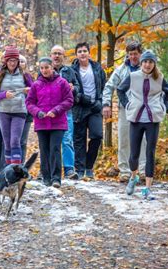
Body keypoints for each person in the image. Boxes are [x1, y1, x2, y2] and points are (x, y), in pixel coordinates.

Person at [117, 50, 168, 199]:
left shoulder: (159, 78)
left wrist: (165, 107)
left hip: (153, 119)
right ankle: (133, 177)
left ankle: (148, 188)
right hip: (136, 118)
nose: (147, 64)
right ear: (141, 63)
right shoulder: (133, 76)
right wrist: (127, 104)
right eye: (145, 62)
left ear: (154, 63)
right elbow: (120, 90)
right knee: (134, 153)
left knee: (150, 152)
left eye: (150, 62)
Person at [26, 57, 73, 188]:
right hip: (41, 123)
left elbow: (69, 100)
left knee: (55, 149)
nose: (44, 70)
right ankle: (46, 177)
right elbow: (29, 103)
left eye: (47, 67)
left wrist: (56, 110)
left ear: (52, 67)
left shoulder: (62, 82)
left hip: (58, 122)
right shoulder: (36, 84)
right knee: (44, 149)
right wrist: (38, 112)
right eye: (42, 68)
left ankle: (56, 178)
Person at [102, 41, 146, 182]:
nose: (133, 57)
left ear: (140, 54)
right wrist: (106, 104)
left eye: (136, 54)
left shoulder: (148, 67)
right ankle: (125, 172)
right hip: (125, 109)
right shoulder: (121, 69)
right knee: (124, 139)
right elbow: (109, 87)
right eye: (131, 54)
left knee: (144, 140)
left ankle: (143, 170)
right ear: (127, 55)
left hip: (144, 109)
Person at [71, 42, 107, 179]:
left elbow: (104, 86)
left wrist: (101, 101)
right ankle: (80, 169)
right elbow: (69, 89)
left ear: (89, 53)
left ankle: (89, 166)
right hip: (79, 107)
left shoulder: (97, 68)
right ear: (76, 54)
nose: (82, 53)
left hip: (95, 107)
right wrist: (80, 97)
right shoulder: (72, 70)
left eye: (84, 51)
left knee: (97, 136)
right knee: (79, 139)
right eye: (79, 51)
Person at [0, 47, 33, 165]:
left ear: (18, 61)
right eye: (10, 60)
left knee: (15, 141)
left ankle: (16, 168)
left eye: (15, 60)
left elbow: (35, 91)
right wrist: (4, 94)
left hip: (19, 110)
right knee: (7, 141)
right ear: (5, 61)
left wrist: (28, 91)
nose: (12, 63)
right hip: (3, 111)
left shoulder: (25, 75)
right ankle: (9, 169)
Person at [50, 45, 79, 180]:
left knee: (67, 140)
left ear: (64, 56)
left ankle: (69, 169)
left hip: (66, 111)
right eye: (54, 53)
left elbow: (78, 87)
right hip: (49, 112)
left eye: (59, 54)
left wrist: (73, 88)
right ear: (51, 56)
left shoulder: (70, 71)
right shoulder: (45, 69)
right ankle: (49, 168)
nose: (56, 56)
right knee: (50, 142)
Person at [18, 54, 35, 162]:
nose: (20, 63)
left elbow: (34, 93)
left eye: (22, 61)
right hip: (14, 112)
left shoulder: (28, 77)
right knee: (13, 140)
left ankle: (22, 164)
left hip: (27, 114)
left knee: (23, 141)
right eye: (18, 61)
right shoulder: (8, 77)